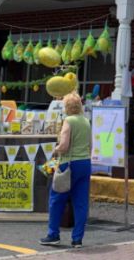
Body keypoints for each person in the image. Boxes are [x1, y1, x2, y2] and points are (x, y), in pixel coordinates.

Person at [41, 92, 92, 248]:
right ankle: (77, 239)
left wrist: (55, 149)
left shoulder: (68, 121)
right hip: (85, 163)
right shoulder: (86, 121)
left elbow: (64, 146)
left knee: (57, 200)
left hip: (68, 164)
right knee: (81, 203)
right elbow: (91, 145)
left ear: (67, 107)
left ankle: (53, 235)